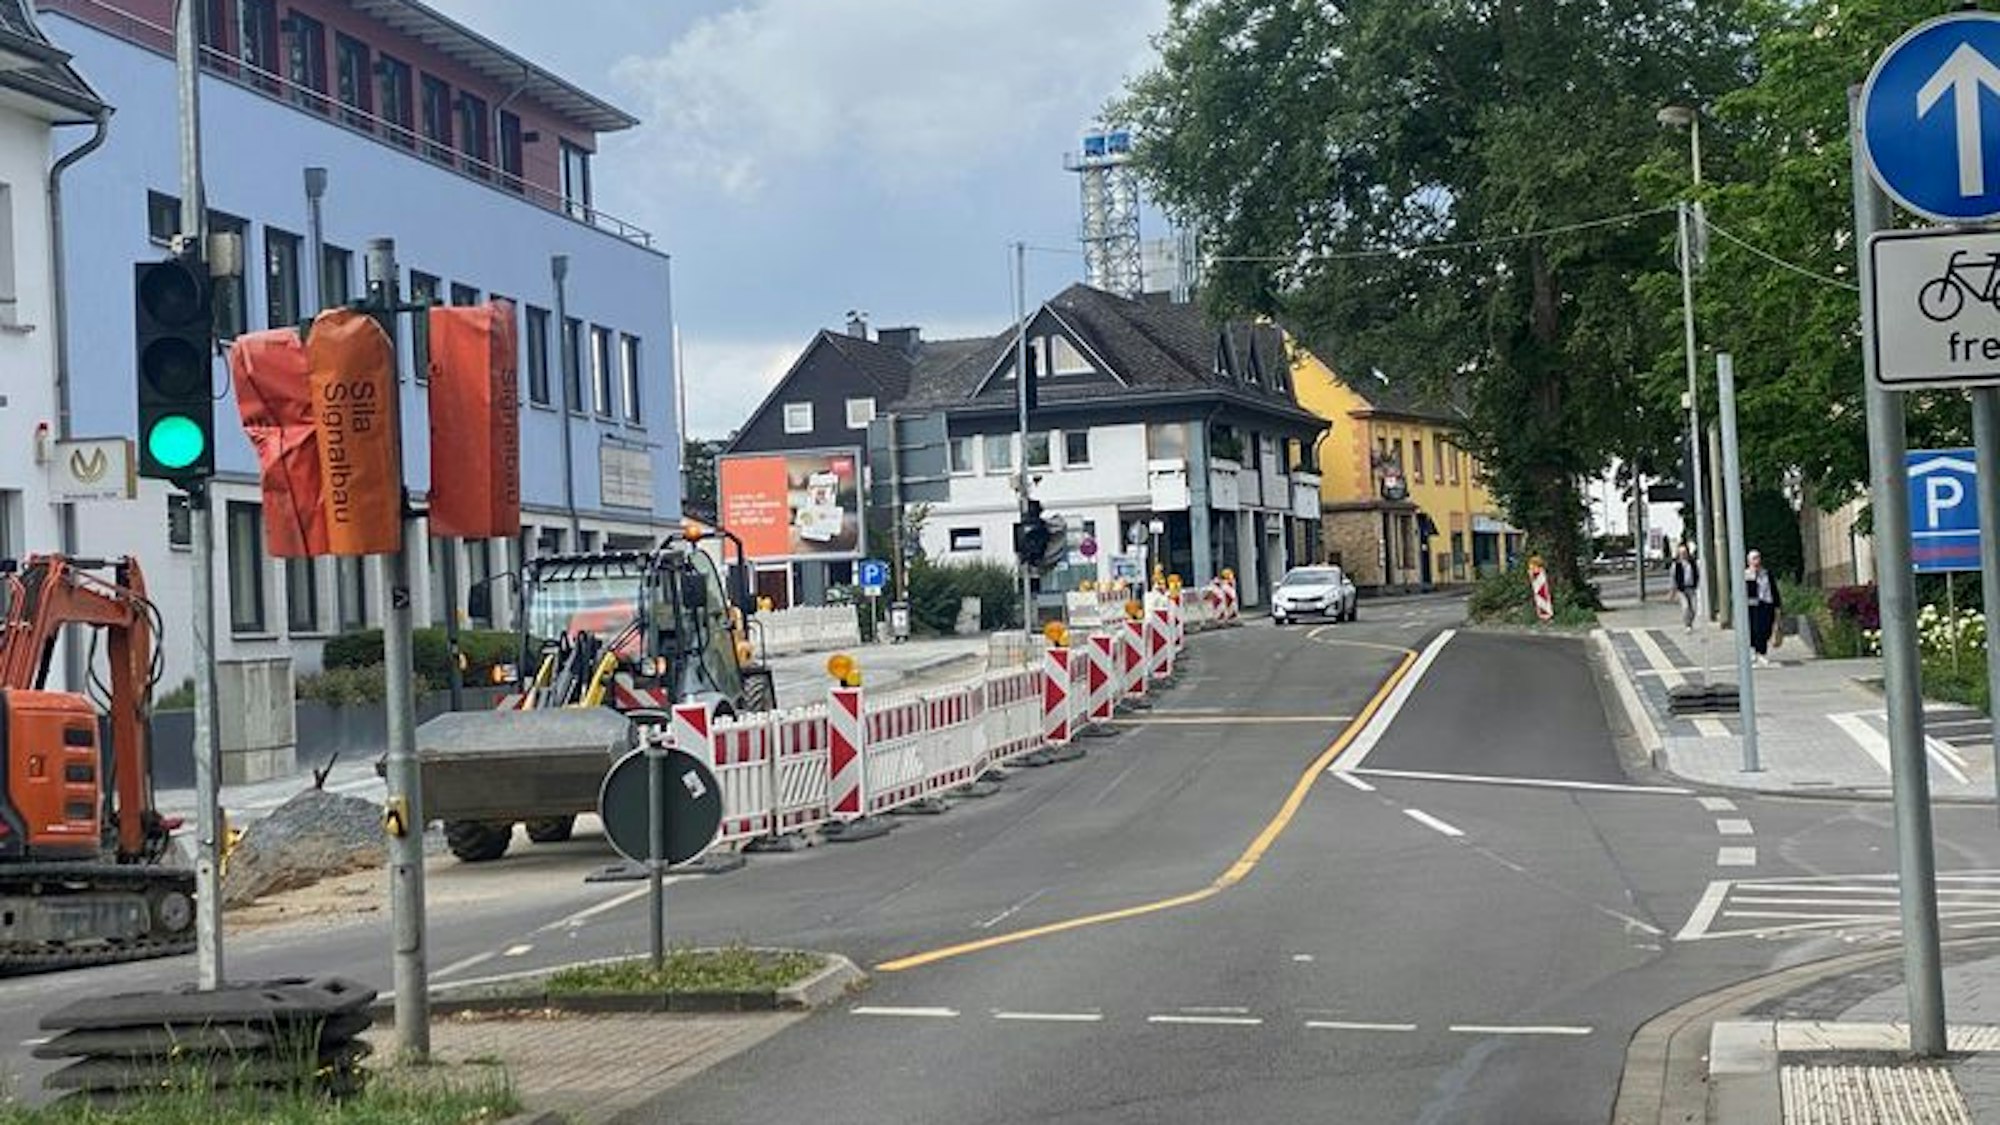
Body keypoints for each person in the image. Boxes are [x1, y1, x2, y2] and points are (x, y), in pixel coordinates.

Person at [1745, 549, 1783, 667]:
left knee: (1766, 629)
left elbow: (1773, 589)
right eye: (1754, 558)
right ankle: (1760, 653)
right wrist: (1753, 575)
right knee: (1756, 630)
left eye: (1758, 558)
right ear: (1749, 561)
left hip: (1767, 603)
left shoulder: (1766, 573)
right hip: (1753, 605)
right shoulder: (1747, 574)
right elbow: (1747, 591)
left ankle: (1759, 651)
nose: (1757, 561)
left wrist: (1777, 604)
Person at [1669, 544, 1700, 632]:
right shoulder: (1676, 565)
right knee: (1686, 607)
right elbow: (1673, 578)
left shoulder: (1693, 563)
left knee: (1693, 608)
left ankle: (1690, 622)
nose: (1683, 554)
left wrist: (1696, 584)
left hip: (1691, 588)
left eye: (1684, 552)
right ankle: (1687, 625)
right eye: (1681, 553)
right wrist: (1672, 591)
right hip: (1681, 589)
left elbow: (1697, 574)